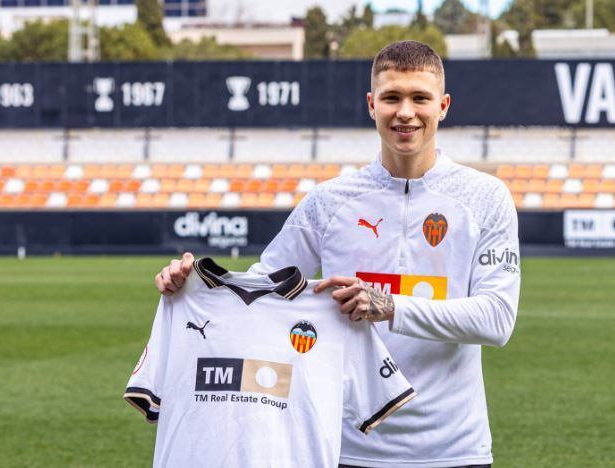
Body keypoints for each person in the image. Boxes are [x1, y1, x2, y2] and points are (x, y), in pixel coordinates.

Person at [156, 40, 520, 468]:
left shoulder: (485, 197)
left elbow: (497, 319)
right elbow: (261, 291)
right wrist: (193, 284)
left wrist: (388, 306)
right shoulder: (328, 202)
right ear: (371, 104)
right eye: (391, 98)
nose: (405, 112)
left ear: (443, 106)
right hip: (343, 445)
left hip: (453, 448)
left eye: (420, 98)